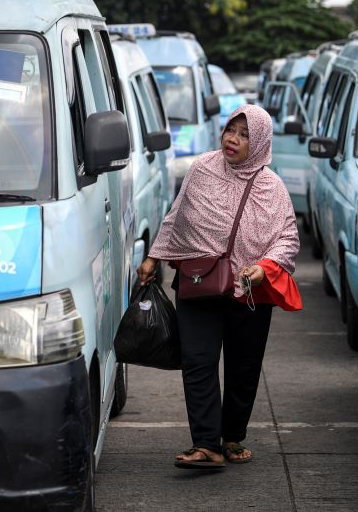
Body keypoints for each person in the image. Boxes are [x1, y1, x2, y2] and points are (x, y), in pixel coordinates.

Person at [136, 104, 302, 470]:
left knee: (243, 367)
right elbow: (179, 215)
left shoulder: (271, 187)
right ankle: (207, 444)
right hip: (198, 282)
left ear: (259, 143)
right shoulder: (202, 168)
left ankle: (232, 436)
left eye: (244, 135)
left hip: (249, 290)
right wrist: (154, 256)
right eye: (231, 130)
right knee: (197, 361)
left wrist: (263, 267)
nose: (233, 139)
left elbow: (288, 238)